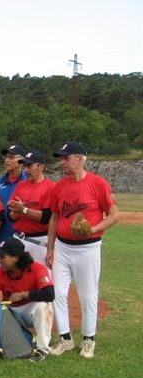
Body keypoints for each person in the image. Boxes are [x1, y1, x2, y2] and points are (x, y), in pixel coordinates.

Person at [46, 141, 118, 359]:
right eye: (61, 158)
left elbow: (114, 216)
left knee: (88, 295)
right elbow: (55, 217)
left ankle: (89, 339)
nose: (62, 162)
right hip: (63, 247)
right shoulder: (59, 187)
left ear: (80, 158)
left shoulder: (98, 184)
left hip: (88, 248)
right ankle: (65, 338)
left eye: (66, 158)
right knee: (57, 293)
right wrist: (50, 248)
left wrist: (93, 229)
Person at [0, 238, 54, 363]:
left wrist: (24, 295)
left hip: (30, 310)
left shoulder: (37, 269)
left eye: (3, 256)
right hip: (11, 313)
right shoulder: (0, 272)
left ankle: (42, 349)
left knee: (43, 305)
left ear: (16, 258)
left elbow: (50, 294)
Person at [7, 150, 55, 267]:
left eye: (30, 166)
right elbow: (11, 213)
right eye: (25, 166)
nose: (26, 170)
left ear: (41, 167)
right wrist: (14, 213)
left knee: (40, 279)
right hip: (19, 238)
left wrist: (24, 210)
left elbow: (47, 217)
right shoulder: (21, 185)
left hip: (39, 242)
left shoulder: (51, 187)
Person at [0, 144, 28, 271]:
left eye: (11, 157)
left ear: (21, 161)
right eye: (6, 157)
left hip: (20, 238)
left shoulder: (28, 182)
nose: (7, 160)